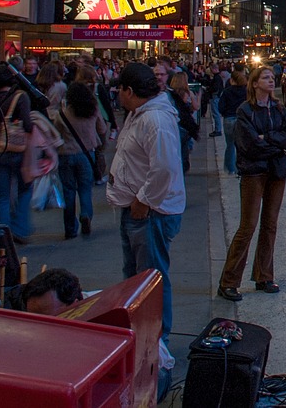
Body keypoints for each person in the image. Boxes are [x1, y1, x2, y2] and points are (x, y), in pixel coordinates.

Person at [108, 62, 184, 399]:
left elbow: (165, 167)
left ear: (129, 90)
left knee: (151, 280)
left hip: (150, 213)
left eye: (119, 91)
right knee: (136, 278)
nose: (118, 97)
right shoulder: (141, 114)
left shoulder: (154, 118)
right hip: (137, 211)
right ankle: (142, 333)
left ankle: (158, 341)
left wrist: (143, 201)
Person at [218, 66, 286, 301]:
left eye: (272, 78)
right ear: (254, 83)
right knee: (248, 226)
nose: (271, 81)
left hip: (276, 172)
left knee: (270, 224)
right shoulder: (245, 111)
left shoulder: (278, 108)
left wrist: (268, 138)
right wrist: (276, 144)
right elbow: (249, 145)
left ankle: (264, 275)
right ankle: (229, 281)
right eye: (265, 78)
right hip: (254, 172)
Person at [0, 63, 35, 244]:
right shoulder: (21, 97)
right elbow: (28, 126)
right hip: (18, 149)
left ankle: (2, 235)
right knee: (25, 189)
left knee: (2, 196)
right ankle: (20, 228)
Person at [55, 82, 105, 240]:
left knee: (68, 192)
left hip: (66, 153)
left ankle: (70, 228)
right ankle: (86, 214)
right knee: (85, 188)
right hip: (87, 153)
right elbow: (102, 129)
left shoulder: (63, 113)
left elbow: (57, 133)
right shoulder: (93, 110)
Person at [218, 70, 249, 175]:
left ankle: (230, 168)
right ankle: (240, 166)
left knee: (230, 144)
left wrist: (225, 113)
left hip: (229, 118)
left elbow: (220, 107)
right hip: (242, 119)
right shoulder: (246, 92)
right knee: (242, 145)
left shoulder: (227, 92)